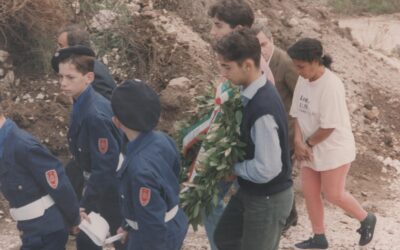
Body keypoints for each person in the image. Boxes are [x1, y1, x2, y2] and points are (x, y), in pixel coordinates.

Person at [287, 38, 377, 249]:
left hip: (334, 149)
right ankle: (319, 237)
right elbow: (297, 114)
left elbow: (329, 127)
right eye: (295, 66)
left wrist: (306, 144)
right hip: (309, 148)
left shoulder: (331, 85)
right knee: (310, 192)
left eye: (301, 66)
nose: (298, 70)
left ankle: (366, 219)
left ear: (315, 61)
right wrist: (298, 141)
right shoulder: (303, 80)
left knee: (333, 194)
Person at [213, 28, 294, 250]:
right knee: (225, 237)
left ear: (248, 65)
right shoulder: (251, 90)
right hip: (252, 191)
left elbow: (268, 168)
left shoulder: (262, 109)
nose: (223, 73)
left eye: (227, 67)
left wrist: (234, 168)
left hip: (268, 197)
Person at [51, 45, 125, 250]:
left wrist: (85, 204)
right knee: (88, 241)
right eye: (60, 77)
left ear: (89, 77)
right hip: (96, 183)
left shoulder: (94, 114)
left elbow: (105, 166)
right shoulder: (81, 101)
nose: (63, 83)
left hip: (109, 190)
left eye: (70, 77)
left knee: (122, 239)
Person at [110, 79, 188, 249]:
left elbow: (152, 225)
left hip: (153, 236)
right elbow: (173, 176)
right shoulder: (163, 139)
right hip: (172, 222)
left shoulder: (139, 170)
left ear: (116, 121)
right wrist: (128, 224)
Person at [0, 106, 81, 249]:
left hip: (47, 230)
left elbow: (57, 183)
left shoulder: (22, 145)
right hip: (30, 228)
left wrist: (74, 218)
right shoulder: (5, 143)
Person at [252, 18, 299, 232]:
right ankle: (291, 215)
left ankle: (288, 217)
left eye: (263, 44)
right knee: (282, 171)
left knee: (283, 173)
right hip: (271, 127)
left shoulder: (285, 62)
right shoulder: (256, 63)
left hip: (287, 128)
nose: (260, 50)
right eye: (256, 46)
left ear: (272, 40)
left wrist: (300, 134)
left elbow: (300, 94)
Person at [57, 24, 116, 100]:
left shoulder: (93, 71)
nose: (58, 51)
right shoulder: (84, 65)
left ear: (74, 48)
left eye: (61, 46)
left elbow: (105, 106)